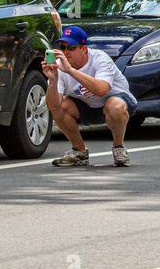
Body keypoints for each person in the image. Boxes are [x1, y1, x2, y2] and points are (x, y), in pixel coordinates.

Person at [43, 25, 136, 168]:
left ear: (83, 49)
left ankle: (119, 148)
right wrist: (53, 81)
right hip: (86, 106)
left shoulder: (99, 58)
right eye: (63, 47)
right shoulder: (58, 66)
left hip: (116, 101)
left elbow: (101, 90)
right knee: (61, 106)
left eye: (71, 47)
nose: (66, 52)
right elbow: (52, 106)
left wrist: (70, 71)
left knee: (115, 106)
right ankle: (79, 151)